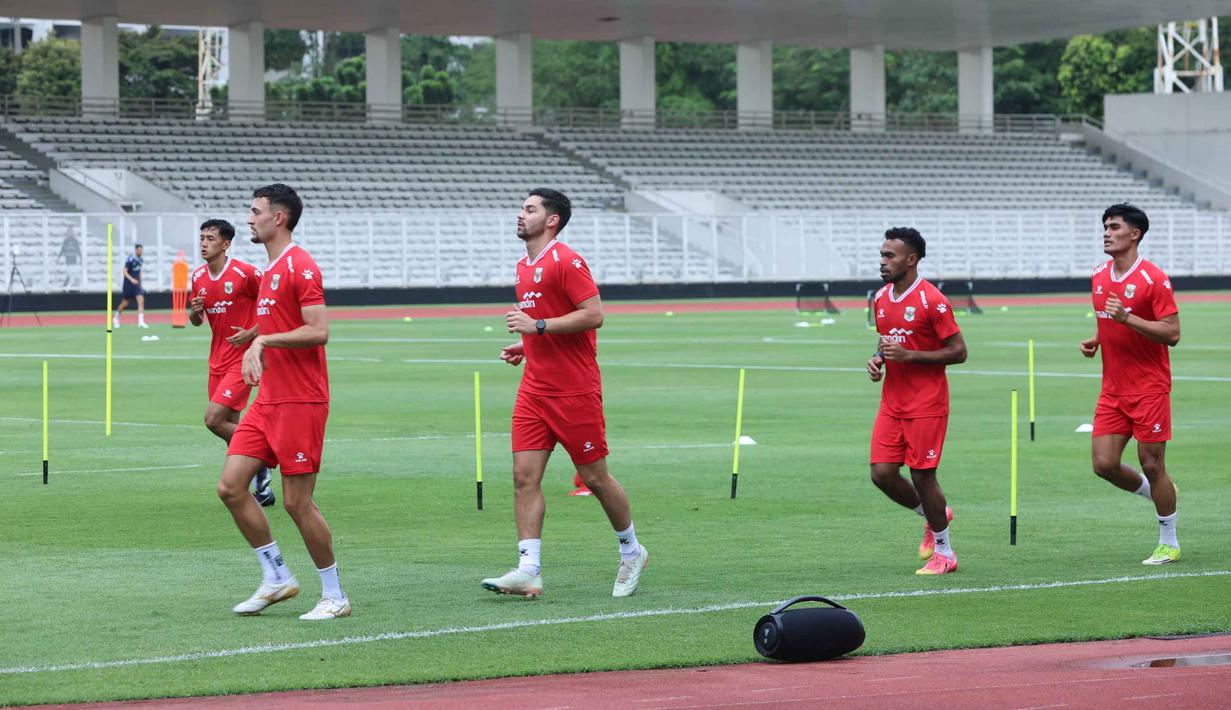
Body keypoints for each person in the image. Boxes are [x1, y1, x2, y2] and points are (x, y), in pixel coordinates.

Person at [482, 188, 648, 598]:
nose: (521, 215)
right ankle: (528, 569)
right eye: (522, 208)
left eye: (530, 209)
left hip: (575, 392)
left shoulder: (567, 260)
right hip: (535, 390)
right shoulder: (524, 264)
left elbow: (594, 315)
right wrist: (529, 345)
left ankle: (631, 550)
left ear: (551, 220)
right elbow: (550, 320)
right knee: (524, 477)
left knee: (594, 478)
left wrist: (536, 328)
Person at [219, 183, 350, 620]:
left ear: (279, 218)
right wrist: (254, 338)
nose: (249, 218)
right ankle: (276, 577)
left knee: (296, 502)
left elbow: (319, 330)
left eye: (255, 211)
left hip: (300, 401)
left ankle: (335, 596)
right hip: (267, 400)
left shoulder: (301, 266)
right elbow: (277, 323)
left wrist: (264, 339)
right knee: (231, 487)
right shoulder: (270, 270)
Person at [1080, 203, 1182, 565]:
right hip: (1113, 388)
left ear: (1134, 234)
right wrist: (1097, 338)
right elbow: (1108, 318)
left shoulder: (1154, 279)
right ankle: (1158, 493)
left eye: (1114, 227)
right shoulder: (1098, 274)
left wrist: (1128, 318)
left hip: (1149, 387)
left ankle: (1168, 541)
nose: (1106, 232)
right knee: (1104, 464)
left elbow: (1172, 333)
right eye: (1105, 227)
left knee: (1153, 464)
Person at [866, 227, 967, 575]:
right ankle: (932, 514)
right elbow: (887, 341)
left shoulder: (932, 301)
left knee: (923, 476)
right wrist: (879, 359)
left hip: (926, 402)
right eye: (882, 255)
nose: (882, 261)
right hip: (891, 401)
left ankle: (945, 552)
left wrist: (909, 356)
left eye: (889, 256)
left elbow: (959, 352)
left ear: (911, 259)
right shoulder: (880, 298)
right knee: (881, 474)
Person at [189, 219, 275, 507]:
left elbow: (275, 304)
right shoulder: (198, 276)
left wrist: (253, 333)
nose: (204, 243)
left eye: (210, 238)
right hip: (217, 360)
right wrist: (194, 312)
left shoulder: (245, 273)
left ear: (225, 244)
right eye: (202, 237)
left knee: (213, 420)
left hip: (245, 359)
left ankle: (263, 453)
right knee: (229, 428)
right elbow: (196, 320)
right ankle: (259, 488)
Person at [114, 244, 148, 328]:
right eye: (139, 250)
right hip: (128, 284)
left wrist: (140, 284)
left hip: (136, 284)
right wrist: (131, 279)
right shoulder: (130, 259)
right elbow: (124, 271)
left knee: (141, 300)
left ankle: (141, 322)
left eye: (141, 250)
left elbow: (139, 272)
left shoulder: (141, 260)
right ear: (136, 250)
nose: (141, 251)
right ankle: (116, 317)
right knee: (124, 303)